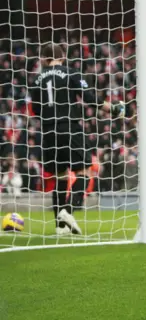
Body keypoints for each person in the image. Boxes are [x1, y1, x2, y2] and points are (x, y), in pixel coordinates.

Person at [30, 43, 124, 235]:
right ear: (62, 57)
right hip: (68, 128)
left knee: (60, 176)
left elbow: (36, 110)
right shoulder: (70, 72)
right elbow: (88, 97)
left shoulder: (37, 80)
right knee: (84, 171)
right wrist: (112, 108)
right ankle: (68, 211)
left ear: (44, 59)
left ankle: (60, 226)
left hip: (48, 132)